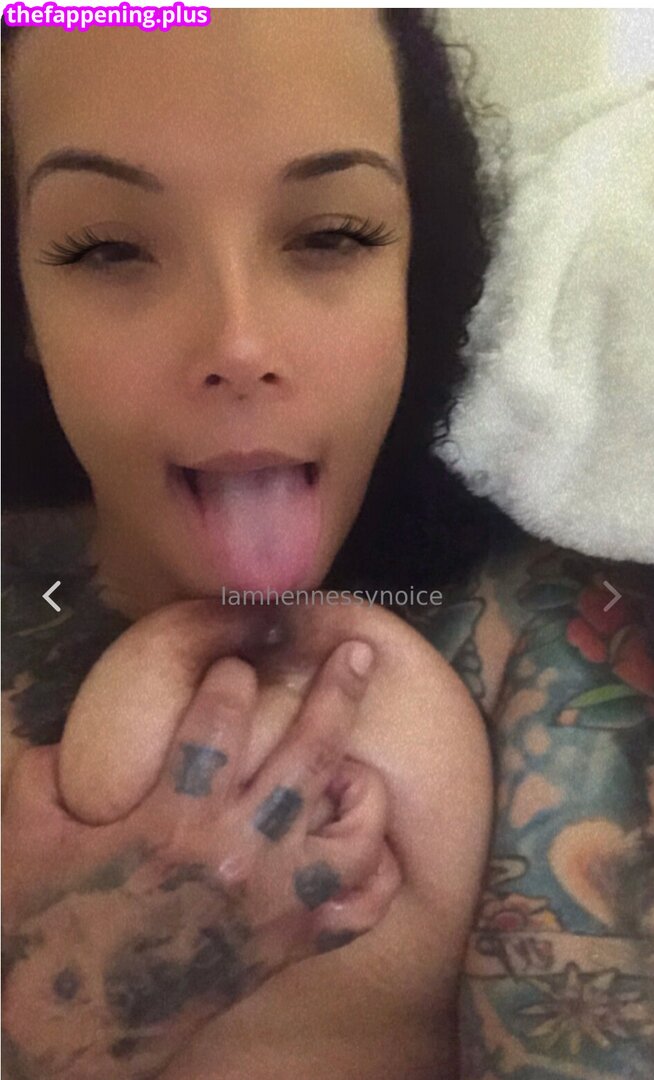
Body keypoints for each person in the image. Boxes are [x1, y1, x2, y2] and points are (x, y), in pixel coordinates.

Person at [2, 10, 651, 1080]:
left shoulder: (551, 652)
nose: (239, 342)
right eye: (108, 247)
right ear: (22, 301)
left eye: (331, 236)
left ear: (416, 272)